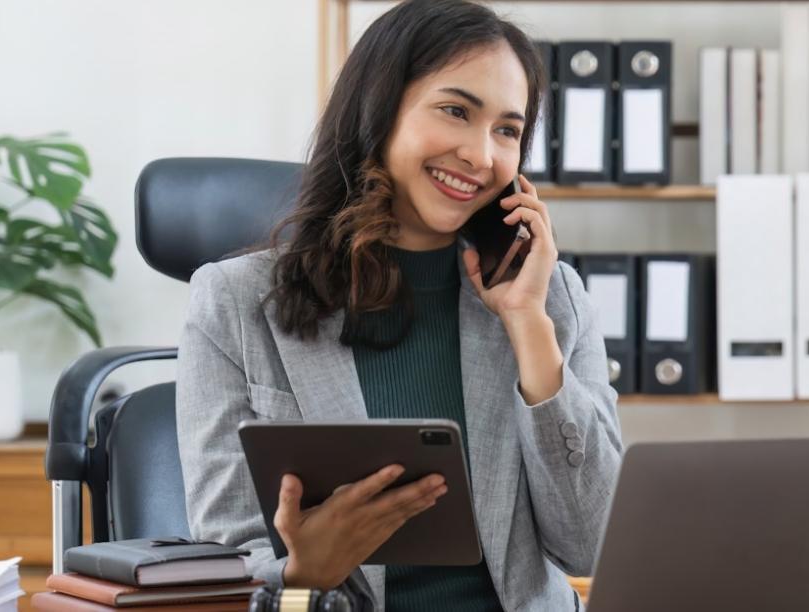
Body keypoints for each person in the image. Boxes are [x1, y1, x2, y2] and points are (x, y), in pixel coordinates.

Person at [174, 1, 623, 610]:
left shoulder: (550, 295)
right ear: (379, 109)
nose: (481, 156)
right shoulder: (234, 302)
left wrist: (527, 327)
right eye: (456, 111)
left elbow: (593, 545)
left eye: (507, 130)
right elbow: (231, 557)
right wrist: (308, 573)